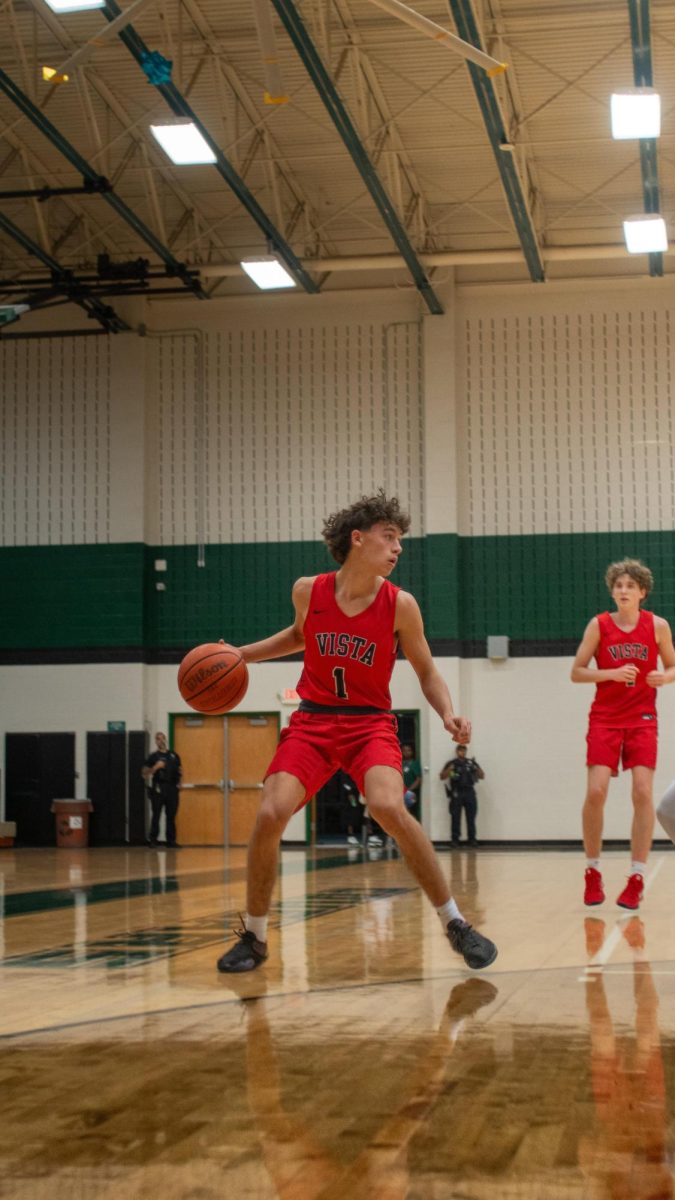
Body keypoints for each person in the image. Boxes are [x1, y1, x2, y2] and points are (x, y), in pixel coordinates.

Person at [216, 491, 497, 973]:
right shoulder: (309, 590)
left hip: (369, 724)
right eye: (390, 537)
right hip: (313, 721)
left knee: (388, 805)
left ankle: (456, 923)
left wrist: (448, 713)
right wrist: (239, 654)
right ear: (358, 538)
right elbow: (298, 635)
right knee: (269, 812)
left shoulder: (400, 604)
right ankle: (256, 937)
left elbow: (427, 670)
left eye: (400, 540)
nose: (398, 548)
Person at [571, 559, 675, 910]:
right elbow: (577, 672)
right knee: (596, 790)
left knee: (643, 793)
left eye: (630, 585)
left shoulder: (657, 626)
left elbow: (673, 665)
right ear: (612, 591)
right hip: (605, 717)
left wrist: (666, 677)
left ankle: (636, 876)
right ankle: (592, 870)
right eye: (618, 585)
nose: (623, 590)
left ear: (643, 592)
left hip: (643, 718)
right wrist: (611, 674)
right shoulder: (599, 625)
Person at [142, 731, 182, 848]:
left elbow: (179, 770)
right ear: (156, 741)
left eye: (162, 738)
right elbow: (144, 774)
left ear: (165, 740)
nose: (161, 741)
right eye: (158, 739)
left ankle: (171, 841)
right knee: (156, 814)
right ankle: (153, 839)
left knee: (171, 815)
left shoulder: (174, 755)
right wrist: (155, 767)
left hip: (172, 788)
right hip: (158, 788)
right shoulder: (153, 757)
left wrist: (180, 782)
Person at [440, 744, 484, 846]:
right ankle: (455, 840)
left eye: (464, 751)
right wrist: (449, 769)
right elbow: (442, 776)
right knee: (455, 817)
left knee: (471, 817)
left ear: (466, 752)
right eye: (460, 751)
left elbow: (482, 776)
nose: (462, 753)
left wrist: (476, 768)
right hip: (457, 792)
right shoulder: (451, 763)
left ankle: (472, 839)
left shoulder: (471, 762)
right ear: (456, 752)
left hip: (469, 792)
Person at [401, 743, 422, 815]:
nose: (406, 752)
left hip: (411, 792)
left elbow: (418, 779)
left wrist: (408, 790)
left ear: (412, 752)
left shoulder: (414, 763)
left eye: (409, 750)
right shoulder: (400, 763)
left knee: (409, 812)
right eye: (404, 750)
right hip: (399, 792)